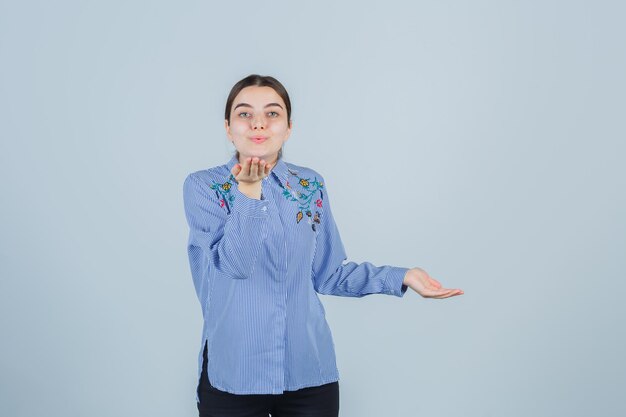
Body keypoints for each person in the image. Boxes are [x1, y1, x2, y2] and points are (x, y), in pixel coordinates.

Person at [183, 74, 464, 417]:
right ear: (228, 128)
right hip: (234, 373)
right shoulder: (203, 187)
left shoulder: (308, 185)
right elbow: (236, 265)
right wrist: (249, 193)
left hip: (307, 370)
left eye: (272, 113)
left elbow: (328, 274)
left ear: (288, 128)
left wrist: (402, 276)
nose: (258, 123)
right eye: (244, 114)